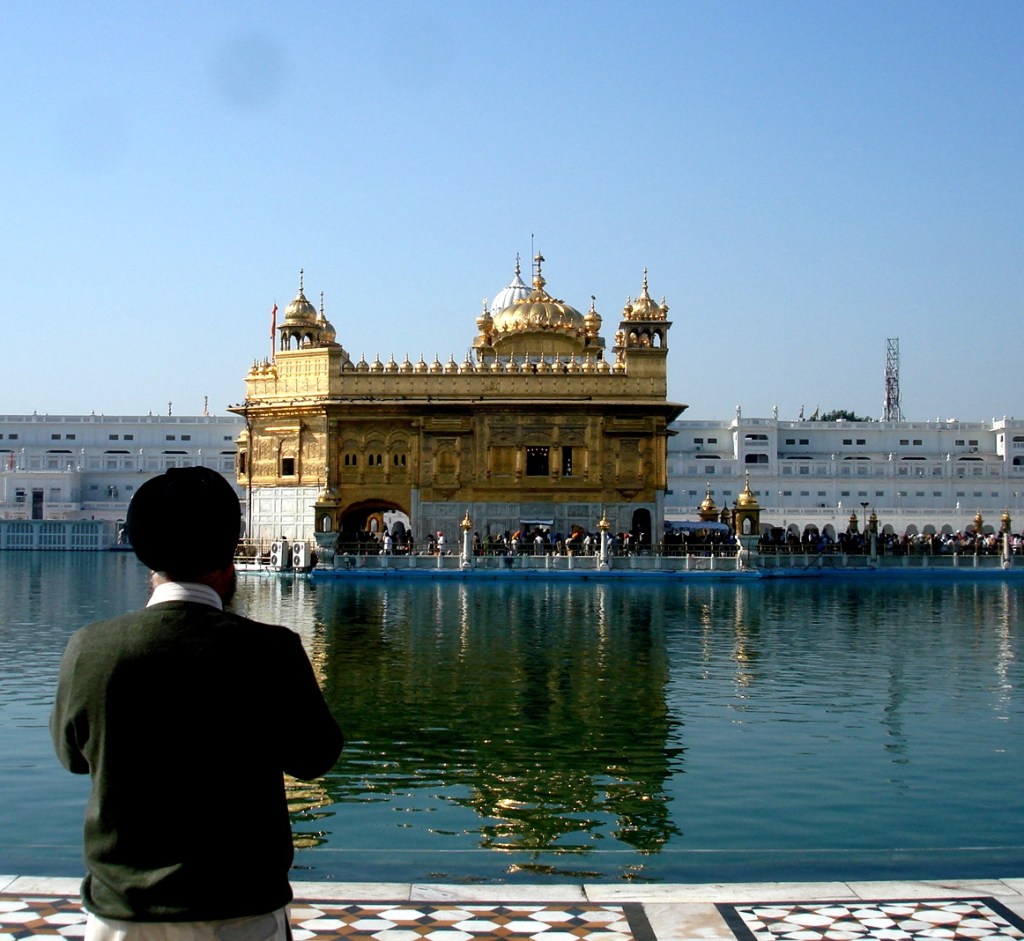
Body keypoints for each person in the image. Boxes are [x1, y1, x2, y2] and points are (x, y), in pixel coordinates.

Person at [51, 466, 344, 941]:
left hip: (124, 914)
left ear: (145, 554)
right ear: (231, 551)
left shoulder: (91, 648)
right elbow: (316, 758)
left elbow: (72, 758)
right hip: (239, 909)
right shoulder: (271, 650)